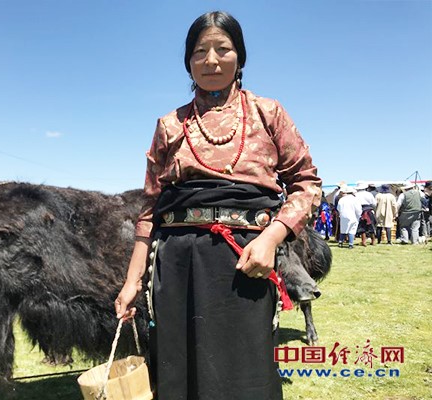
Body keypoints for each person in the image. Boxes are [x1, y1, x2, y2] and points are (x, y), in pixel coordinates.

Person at [114, 11, 321, 400]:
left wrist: (271, 239)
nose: (211, 60)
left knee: (243, 374)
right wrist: (131, 282)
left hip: (246, 261)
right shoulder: (169, 125)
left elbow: (306, 184)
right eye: (199, 51)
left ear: (239, 56)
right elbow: (149, 211)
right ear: (188, 61)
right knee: (180, 373)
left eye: (222, 49)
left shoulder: (268, 113)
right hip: (176, 267)